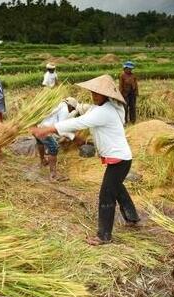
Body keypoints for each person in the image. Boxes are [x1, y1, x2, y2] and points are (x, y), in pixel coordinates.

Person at [31, 74, 140, 245]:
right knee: (116, 188)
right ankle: (132, 217)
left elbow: (79, 123)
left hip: (119, 159)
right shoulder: (109, 107)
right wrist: (75, 107)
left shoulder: (104, 111)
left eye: (98, 94)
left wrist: (50, 128)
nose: (94, 96)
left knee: (106, 195)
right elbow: (86, 110)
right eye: (93, 93)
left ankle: (104, 236)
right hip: (121, 157)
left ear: (107, 95)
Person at [36, 97, 77, 181]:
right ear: (70, 106)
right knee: (53, 148)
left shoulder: (57, 103)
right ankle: (53, 175)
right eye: (72, 109)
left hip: (38, 126)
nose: (71, 111)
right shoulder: (65, 109)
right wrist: (71, 136)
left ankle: (42, 161)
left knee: (40, 142)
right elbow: (60, 127)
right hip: (45, 129)